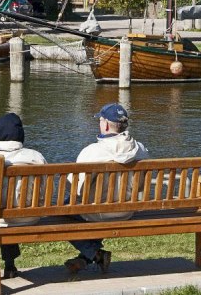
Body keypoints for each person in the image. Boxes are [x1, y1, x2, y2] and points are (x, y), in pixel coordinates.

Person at [66, 102, 148, 276]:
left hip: (96, 212)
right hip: (127, 211)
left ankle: (93, 253)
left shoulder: (92, 152)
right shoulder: (141, 150)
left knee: (60, 211)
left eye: (100, 121)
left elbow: (76, 189)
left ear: (105, 124)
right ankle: (90, 255)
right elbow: (141, 185)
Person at [0, 112, 47, 280]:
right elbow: (44, 190)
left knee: (1, 214)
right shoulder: (36, 157)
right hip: (30, 218)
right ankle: (10, 265)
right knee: (7, 211)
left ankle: (6, 266)